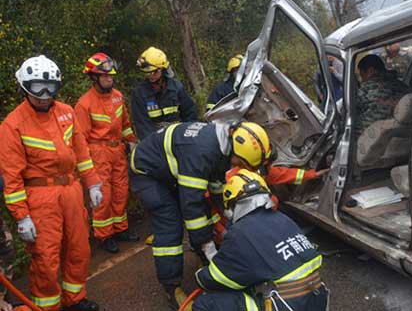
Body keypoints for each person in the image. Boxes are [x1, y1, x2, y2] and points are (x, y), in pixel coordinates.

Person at [128, 121, 271, 309]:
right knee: (170, 225)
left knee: (204, 213)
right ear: (236, 151)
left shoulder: (221, 144)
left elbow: (215, 186)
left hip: (167, 171)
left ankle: (203, 258)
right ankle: (172, 288)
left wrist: (227, 214)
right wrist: (207, 244)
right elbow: (191, 206)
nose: (239, 167)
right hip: (147, 173)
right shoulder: (201, 152)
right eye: (241, 163)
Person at [0, 55, 102, 311]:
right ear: (25, 87)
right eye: (38, 89)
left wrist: (93, 183)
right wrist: (22, 217)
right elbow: (11, 176)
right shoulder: (13, 125)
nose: (45, 95)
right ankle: (47, 307)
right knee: (45, 258)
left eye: (50, 89)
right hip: (40, 198)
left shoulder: (66, 112)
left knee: (79, 249)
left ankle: (75, 300)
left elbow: (81, 152)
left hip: (72, 191)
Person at [192, 169, 329, 311]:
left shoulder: (240, 232)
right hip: (317, 298)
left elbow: (214, 279)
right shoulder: (282, 219)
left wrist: (200, 275)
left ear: (232, 205)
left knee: (205, 304)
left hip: (285, 305)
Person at [75, 53, 140, 254]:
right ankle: (104, 235)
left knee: (121, 191)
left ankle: (120, 229)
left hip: (117, 150)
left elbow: (126, 125)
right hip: (98, 152)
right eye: (105, 76)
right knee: (103, 195)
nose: (109, 79)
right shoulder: (84, 104)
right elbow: (80, 139)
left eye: (111, 76)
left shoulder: (118, 96)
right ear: (94, 78)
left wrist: (132, 142)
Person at [132, 47, 197, 140]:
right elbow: (143, 126)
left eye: (153, 73)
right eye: (146, 73)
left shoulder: (176, 88)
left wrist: (189, 138)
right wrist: (155, 146)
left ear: (163, 70)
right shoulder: (139, 93)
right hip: (155, 143)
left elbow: (190, 115)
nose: (150, 76)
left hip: (179, 138)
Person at [356, 54, 410, 135]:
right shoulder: (403, 87)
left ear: (371, 71)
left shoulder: (365, 89)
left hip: (369, 137)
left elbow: (349, 110)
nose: (362, 79)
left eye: (362, 75)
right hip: (398, 136)